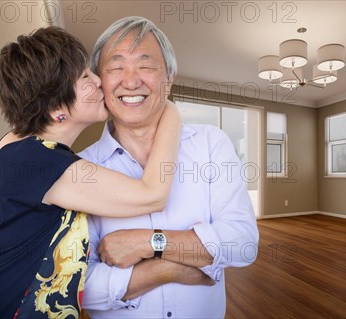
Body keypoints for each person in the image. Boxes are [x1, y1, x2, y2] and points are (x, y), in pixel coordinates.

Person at [0, 27, 181, 319]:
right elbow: (152, 195)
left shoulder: (15, 144)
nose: (99, 81)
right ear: (55, 107)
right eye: (85, 77)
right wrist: (170, 109)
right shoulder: (40, 162)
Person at [79, 16, 259, 318]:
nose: (131, 80)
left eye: (146, 66)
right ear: (99, 81)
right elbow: (78, 285)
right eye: (116, 66)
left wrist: (148, 243)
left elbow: (242, 243)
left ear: (169, 77)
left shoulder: (211, 144)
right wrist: (166, 269)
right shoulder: (81, 168)